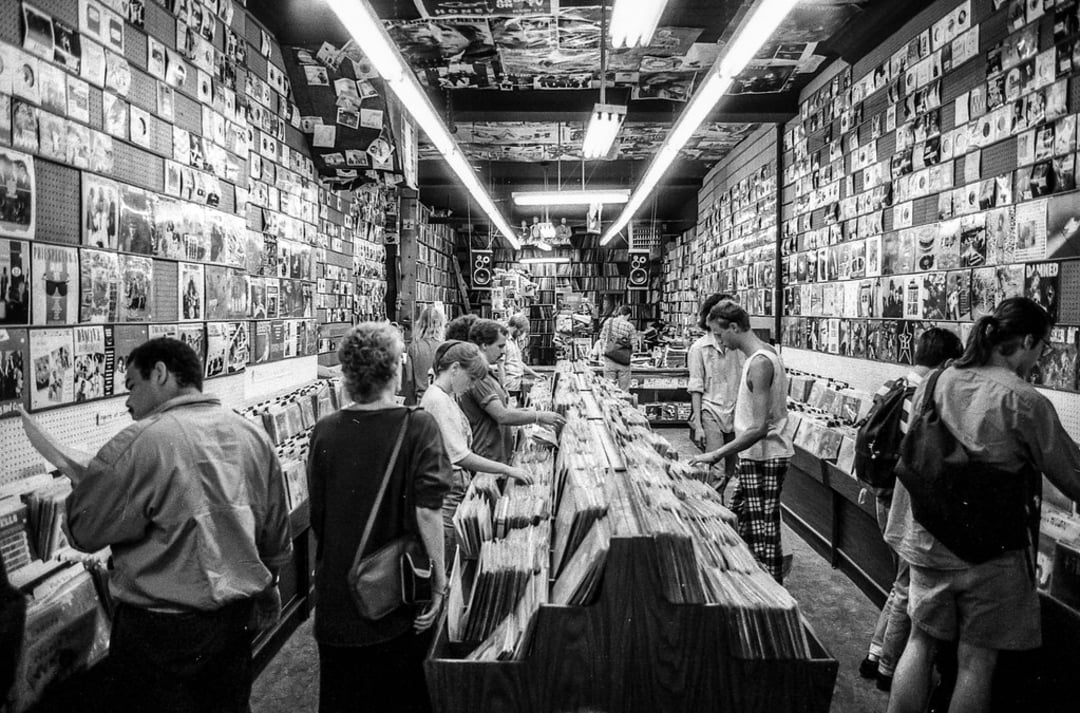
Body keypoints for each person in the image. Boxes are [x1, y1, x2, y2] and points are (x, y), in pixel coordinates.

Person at [20, 337, 291, 713]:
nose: (128, 402)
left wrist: (84, 486)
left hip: (157, 635)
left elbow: (84, 533)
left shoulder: (140, 443)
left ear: (160, 373)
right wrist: (268, 583)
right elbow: (276, 538)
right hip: (233, 625)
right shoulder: (253, 436)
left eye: (132, 386)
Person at [886, 298, 1080, 713]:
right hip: (990, 555)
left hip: (929, 540)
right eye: (1041, 348)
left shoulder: (936, 380)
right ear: (1028, 341)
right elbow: (1072, 476)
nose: (1039, 359)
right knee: (976, 660)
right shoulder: (1024, 400)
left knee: (920, 642)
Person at [307, 323, 450, 713]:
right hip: (396, 594)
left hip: (339, 594)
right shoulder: (418, 425)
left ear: (348, 374)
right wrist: (439, 582)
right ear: (395, 368)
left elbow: (319, 516)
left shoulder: (324, 430)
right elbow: (428, 510)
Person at [858, 327, 964, 692]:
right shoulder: (926, 395)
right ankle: (887, 666)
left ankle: (874, 653)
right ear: (948, 361)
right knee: (906, 585)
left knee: (898, 582)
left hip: (878, 490)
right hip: (906, 501)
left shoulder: (889, 385)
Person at [689, 300, 793, 583]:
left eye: (720, 334)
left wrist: (716, 454)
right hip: (755, 455)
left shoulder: (759, 363)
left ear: (733, 327)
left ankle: (771, 594)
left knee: (764, 535)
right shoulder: (764, 354)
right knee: (740, 522)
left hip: (766, 455)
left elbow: (760, 426)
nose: (718, 340)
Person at [421, 340, 533, 558]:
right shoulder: (438, 400)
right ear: (454, 368)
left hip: (451, 485)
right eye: (471, 378)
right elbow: (460, 455)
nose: (472, 385)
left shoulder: (446, 396)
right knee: (449, 554)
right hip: (447, 489)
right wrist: (507, 469)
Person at [458, 319, 563, 464]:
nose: (503, 350)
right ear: (484, 346)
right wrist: (538, 416)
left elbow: (501, 410)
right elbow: (502, 415)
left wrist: (527, 412)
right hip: (488, 458)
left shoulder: (486, 373)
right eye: (500, 346)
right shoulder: (479, 377)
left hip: (495, 455)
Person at [688, 293, 744, 498]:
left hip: (735, 411)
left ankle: (713, 504)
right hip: (710, 410)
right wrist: (700, 426)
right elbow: (696, 386)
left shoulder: (737, 346)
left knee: (730, 469)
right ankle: (714, 515)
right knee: (718, 471)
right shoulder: (699, 348)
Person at [404, 305, 445, 405]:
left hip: (422, 399)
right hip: (442, 399)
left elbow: (409, 379)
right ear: (440, 324)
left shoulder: (413, 347)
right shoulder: (444, 347)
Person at [504, 314, 540, 404]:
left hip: (517, 384)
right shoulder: (504, 341)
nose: (521, 335)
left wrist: (536, 374)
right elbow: (500, 365)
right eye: (521, 331)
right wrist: (503, 388)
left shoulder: (514, 340)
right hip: (510, 385)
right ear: (515, 327)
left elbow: (519, 362)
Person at [598, 305, 635, 389]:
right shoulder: (630, 327)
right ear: (628, 315)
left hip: (609, 359)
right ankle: (624, 400)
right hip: (624, 362)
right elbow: (634, 347)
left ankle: (610, 402)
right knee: (624, 389)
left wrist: (604, 351)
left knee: (609, 388)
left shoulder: (608, 322)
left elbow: (602, 339)